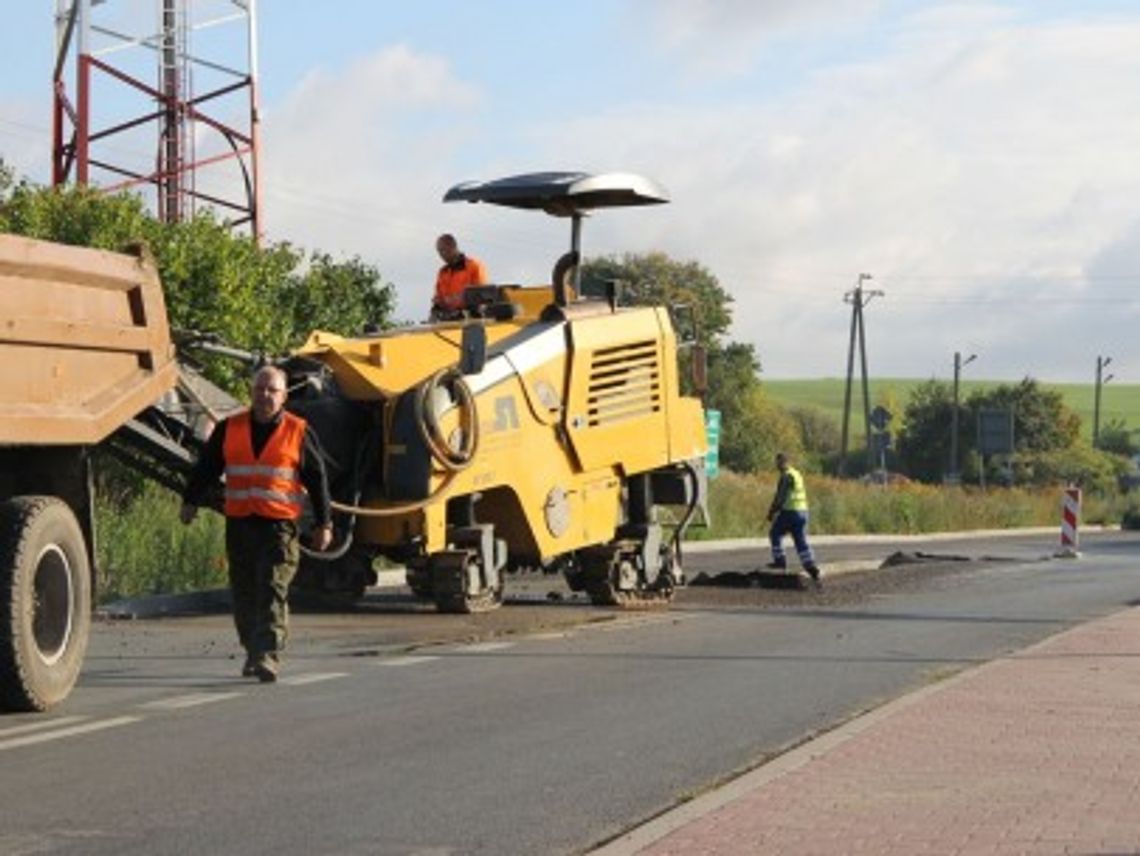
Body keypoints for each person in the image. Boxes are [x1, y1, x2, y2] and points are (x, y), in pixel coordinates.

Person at [180, 365, 334, 683]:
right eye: (259, 389)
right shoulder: (230, 428)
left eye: (272, 390)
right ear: (251, 392)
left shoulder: (298, 431)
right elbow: (207, 467)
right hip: (240, 523)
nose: (264, 395)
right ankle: (253, 650)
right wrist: (190, 501)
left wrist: (324, 524)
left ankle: (268, 655)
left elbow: (318, 481)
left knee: (272, 587)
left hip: (279, 526)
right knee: (245, 592)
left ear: (283, 396)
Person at [766, 452, 822, 586]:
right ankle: (810, 567)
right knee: (800, 540)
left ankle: (780, 562)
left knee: (775, 533)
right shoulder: (797, 474)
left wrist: (772, 512)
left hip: (790, 512)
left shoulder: (786, 476)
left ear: (783, 462)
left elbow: (780, 497)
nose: (777, 465)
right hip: (803, 512)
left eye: (778, 462)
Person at [432, 233, 488, 317]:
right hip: (449, 321)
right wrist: (436, 309)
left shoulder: (474, 266)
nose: (441, 255)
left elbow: (480, 297)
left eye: (443, 250)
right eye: (439, 252)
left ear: (453, 247)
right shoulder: (442, 273)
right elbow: (439, 300)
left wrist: (461, 308)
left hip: (473, 321)